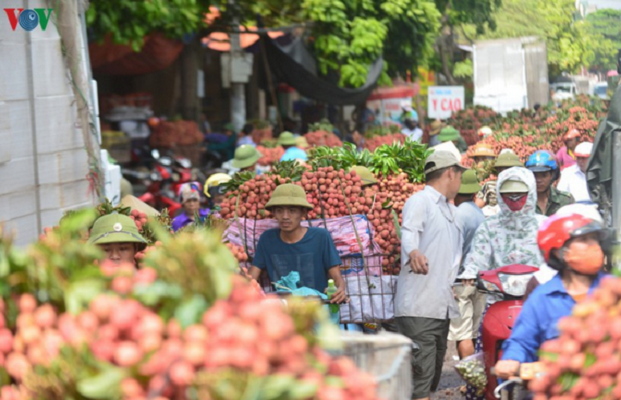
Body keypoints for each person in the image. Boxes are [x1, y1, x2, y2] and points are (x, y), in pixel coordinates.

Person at [494, 212, 609, 378]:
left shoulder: (612, 289)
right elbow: (522, 342)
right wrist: (511, 360)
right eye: (584, 240)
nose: (594, 247)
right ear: (559, 251)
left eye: (595, 240)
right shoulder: (542, 299)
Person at [396, 150, 466, 400]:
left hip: (439, 307)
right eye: (460, 175)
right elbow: (409, 231)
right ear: (450, 173)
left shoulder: (451, 211)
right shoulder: (420, 201)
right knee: (421, 383)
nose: (460, 181)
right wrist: (413, 251)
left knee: (432, 380)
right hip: (418, 308)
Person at [248, 184, 346, 303]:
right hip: (284, 310)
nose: (285, 216)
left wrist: (340, 289)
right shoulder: (267, 239)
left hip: (317, 307)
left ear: (303, 212)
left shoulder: (321, 237)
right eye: (279, 211)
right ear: (273, 213)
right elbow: (252, 277)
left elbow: (336, 277)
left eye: (292, 211)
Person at [459, 167, 546, 282]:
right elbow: (477, 259)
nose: (514, 198)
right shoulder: (488, 228)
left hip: (538, 294)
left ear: (531, 192)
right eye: (508, 193)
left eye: (519, 193)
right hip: (497, 294)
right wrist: (470, 274)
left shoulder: (545, 226)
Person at [523, 203, 604, 300]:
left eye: (594, 238)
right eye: (583, 239)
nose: (592, 245)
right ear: (560, 248)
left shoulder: (610, 285)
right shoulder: (541, 284)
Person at [449, 170, 487, 362]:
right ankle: (476, 379)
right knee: (474, 332)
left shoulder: (457, 215)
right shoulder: (479, 212)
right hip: (479, 280)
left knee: (461, 333)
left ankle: (470, 380)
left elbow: (452, 251)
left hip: (461, 280)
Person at [525, 150, 574, 216]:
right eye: (535, 175)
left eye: (544, 175)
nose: (539, 180)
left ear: (553, 175)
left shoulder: (565, 200)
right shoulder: (523, 201)